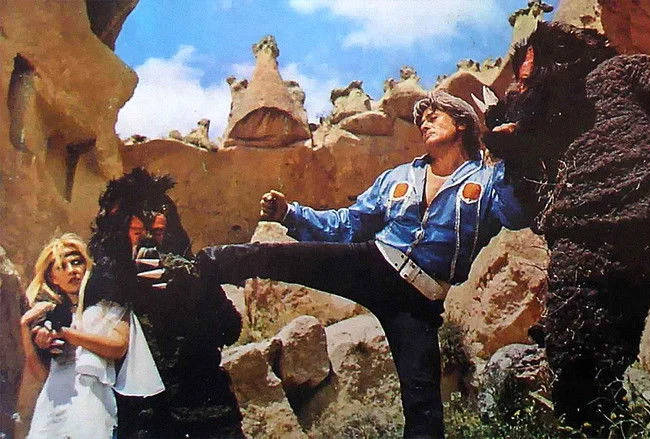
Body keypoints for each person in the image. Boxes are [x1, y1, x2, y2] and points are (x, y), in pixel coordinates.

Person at [187, 90, 528, 438]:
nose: (424, 124)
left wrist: (510, 156)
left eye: (434, 117)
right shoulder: (398, 178)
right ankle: (198, 267)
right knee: (278, 257)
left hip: (419, 301)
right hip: (374, 263)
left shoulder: (487, 181)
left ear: (462, 124)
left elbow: (515, 214)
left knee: (423, 405)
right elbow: (349, 224)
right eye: (421, 120)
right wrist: (290, 214)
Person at [87, 167, 244, 438]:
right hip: (143, 420)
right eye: (137, 232)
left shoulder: (191, 273)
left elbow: (230, 329)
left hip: (207, 414)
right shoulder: (106, 280)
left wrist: (189, 284)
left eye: (158, 232)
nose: (148, 241)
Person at [19, 233, 152, 438]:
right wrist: (26, 329)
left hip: (92, 401)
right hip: (52, 405)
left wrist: (67, 334)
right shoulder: (51, 314)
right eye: (62, 267)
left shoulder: (110, 304)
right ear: (53, 277)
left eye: (76, 262)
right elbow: (41, 375)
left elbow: (118, 346)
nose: (72, 270)